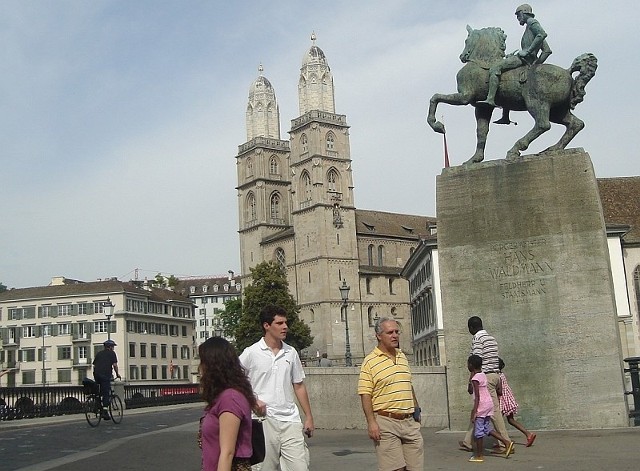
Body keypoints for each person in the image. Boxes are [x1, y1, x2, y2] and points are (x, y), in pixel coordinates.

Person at [239, 304, 314, 471]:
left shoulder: (291, 352)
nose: (285, 327)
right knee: (265, 467)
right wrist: (253, 400)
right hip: (263, 420)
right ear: (267, 325)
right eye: (279, 323)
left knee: (300, 468)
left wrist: (308, 416)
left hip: (290, 420)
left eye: (285, 323)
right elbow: (235, 379)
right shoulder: (251, 352)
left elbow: (299, 385)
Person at [358, 317, 423, 471]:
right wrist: (371, 422)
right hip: (386, 421)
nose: (395, 335)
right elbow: (365, 394)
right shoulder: (370, 362)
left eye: (396, 332)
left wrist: (416, 407)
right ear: (379, 336)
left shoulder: (402, 356)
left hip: (409, 422)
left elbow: (408, 384)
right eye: (390, 332)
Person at [478, 3, 552, 123]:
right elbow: (547, 51)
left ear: (524, 13)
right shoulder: (531, 29)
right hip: (528, 60)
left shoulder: (532, 22)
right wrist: (536, 64)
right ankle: (505, 117)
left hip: (523, 58)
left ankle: (490, 99)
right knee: (506, 77)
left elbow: (542, 34)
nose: (518, 18)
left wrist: (527, 52)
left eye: (518, 15)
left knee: (495, 68)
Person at [199, 336, 256, 471]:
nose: (200, 367)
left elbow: (227, 453)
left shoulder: (230, 399)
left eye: (202, 361)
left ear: (213, 365)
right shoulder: (224, 397)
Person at [459, 316, 511, 453]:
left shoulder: (477, 339)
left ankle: (505, 443)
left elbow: (476, 361)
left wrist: (471, 381)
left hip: (484, 378)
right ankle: (468, 441)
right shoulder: (492, 339)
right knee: (477, 412)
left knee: (492, 412)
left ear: (471, 328)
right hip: (495, 376)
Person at [467, 355, 514, 463]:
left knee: (478, 432)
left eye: (468, 364)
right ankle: (506, 442)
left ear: (471, 365)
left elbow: (477, 396)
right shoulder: (483, 375)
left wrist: (475, 412)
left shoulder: (475, 379)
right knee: (487, 428)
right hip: (489, 403)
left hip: (481, 405)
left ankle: (479, 455)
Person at [498, 358, 536, 447]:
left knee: (498, 421)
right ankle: (528, 434)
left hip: (502, 399)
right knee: (510, 420)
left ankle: (502, 442)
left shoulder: (497, 376)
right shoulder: (502, 374)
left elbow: (499, 390)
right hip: (507, 398)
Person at [92, 339, 121, 420]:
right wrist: (117, 374)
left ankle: (96, 406)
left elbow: (94, 366)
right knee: (106, 393)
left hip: (96, 374)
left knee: (99, 392)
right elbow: (115, 365)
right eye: (113, 346)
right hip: (105, 375)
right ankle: (105, 411)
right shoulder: (112, 353)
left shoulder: (99, 353)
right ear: (110, 347)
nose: (113, 348)